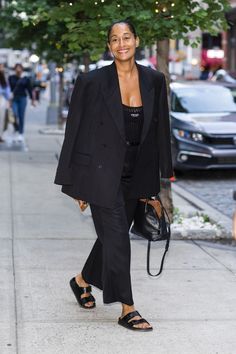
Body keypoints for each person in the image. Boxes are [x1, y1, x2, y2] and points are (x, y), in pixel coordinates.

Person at [54, 20, 173, 331]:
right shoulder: (91, 82)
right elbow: (75, 132)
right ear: (109, 46)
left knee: (111, 239)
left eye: (127, 37)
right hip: (100, 174)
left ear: (137, 40)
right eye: (115, 39)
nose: (122, 44)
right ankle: (127, 308)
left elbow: (160, 130)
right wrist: (74, 183)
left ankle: (81, 281)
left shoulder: (154, 79)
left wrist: (157, 183)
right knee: (119, 238)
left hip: (137, 175)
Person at [9, 63, 35, 142]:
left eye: (20, 68)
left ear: (22, 69)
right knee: (14, 114)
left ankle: (20, 133)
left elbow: (29, 90)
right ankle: (16, 129)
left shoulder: (25, 78)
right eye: (17, 68)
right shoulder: (11, 77)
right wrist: (8, 99)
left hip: (23, 98)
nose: (18, 69)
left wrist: (32, 100)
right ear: (15, 69)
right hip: (14, 99)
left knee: (21, 116)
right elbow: (8, 88)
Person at [0, 64, 11, 142]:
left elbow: (7, 91)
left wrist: (9, 100)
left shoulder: (3, 79)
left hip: (1, 100)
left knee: (1, 119)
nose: (2, 68)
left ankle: (0, 135)